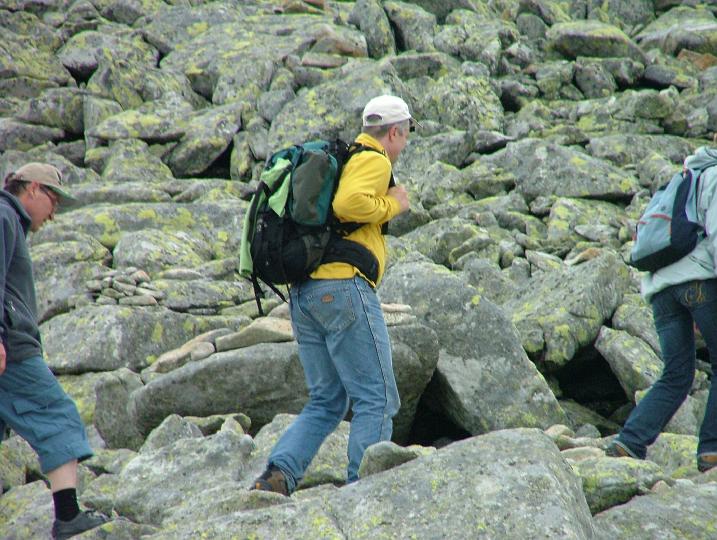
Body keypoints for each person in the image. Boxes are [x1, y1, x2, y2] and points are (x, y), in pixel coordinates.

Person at [251, 95, 414, 494]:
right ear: (394, 132)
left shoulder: (343, 159)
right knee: (377, 398)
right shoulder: (374, 158)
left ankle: (278, 475)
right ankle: (364, 492)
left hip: (305, 295)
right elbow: (349, 203)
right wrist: (393, 204)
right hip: (343, 290)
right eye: (407, 134)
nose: (405, 142)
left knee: (327, 400)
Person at [0, 163, 110, 538]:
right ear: (32, 189)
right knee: (58, 416)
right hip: (12, 350)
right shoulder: (4, 216)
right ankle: (68, 517)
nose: (54, 213)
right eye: (53, 199)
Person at [606, 146, 717, 473]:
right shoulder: (714, 176)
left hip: (660, 290)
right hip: (698, 281)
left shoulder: (682, 178)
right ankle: (712, 449)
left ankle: (630, 441)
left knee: (676, 374)